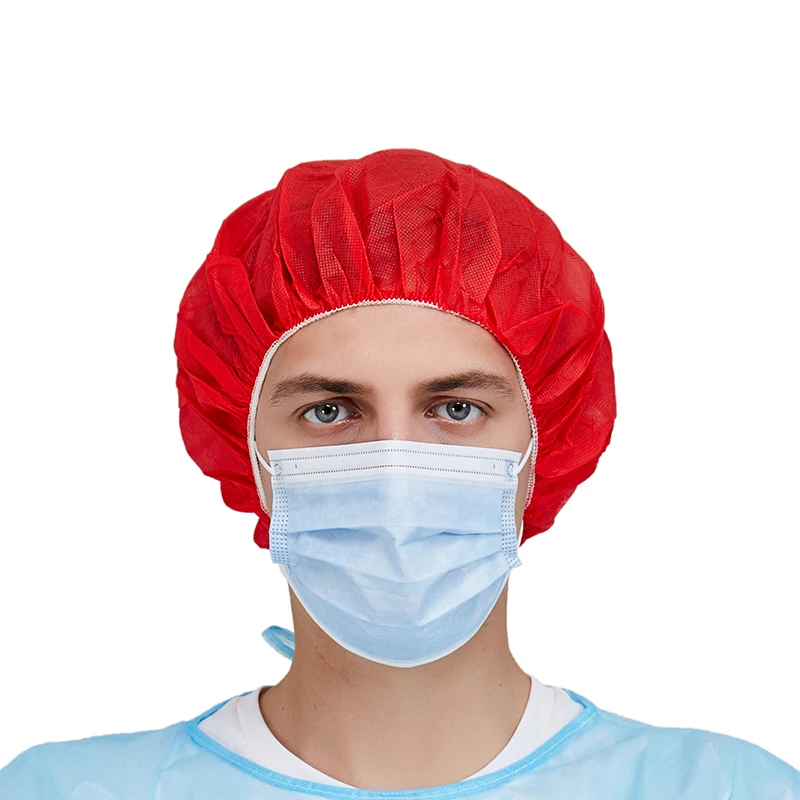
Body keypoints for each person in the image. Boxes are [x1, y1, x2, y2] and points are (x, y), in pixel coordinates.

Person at [1, 148, 797, 798]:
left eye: (456, 409)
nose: (394, 469)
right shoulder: (63, 792)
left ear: (542, 448)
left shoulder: (725, 790)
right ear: (246, 448)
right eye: (329, 410)